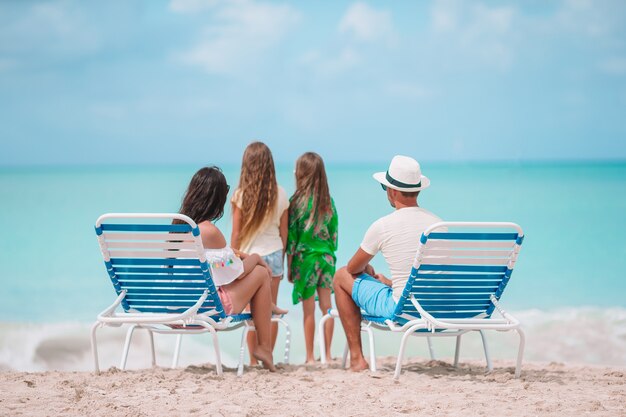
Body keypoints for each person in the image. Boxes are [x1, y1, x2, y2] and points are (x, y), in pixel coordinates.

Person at [333, 155, 442, 371]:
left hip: (402, 310)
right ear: (418, 189)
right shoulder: (438, 225)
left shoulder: (383, 226)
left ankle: (357, 359)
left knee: (340, 276)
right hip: (438, 310)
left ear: (392, 191)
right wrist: (392, 283)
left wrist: (365, 269)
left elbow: (352, 268)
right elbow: (430, 279)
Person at [175, 166, 286, 372]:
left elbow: (219, 262)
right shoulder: (210, 231)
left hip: (175, 310)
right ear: (216, 198)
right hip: (206, 310)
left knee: (250, 272)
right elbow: (238, 272)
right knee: (260, 273)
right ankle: (264, 347)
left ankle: (267, 316)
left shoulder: (178, 229)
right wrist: (256, 258)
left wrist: (240, 254)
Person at [231, 141, 289, 365]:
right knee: (269, 311)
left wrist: (229, 260)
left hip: (247, 257)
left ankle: (253, 362)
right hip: (273, 254)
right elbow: (284, 234)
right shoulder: (281, 194)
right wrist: (282, 263)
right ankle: (267, 356)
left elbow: (236, 234)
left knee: (250, 313)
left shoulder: (240, 195)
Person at [286, 152, 338, 364]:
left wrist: (290, 267)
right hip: (326, 258)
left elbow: (291, 238)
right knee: (327, 306)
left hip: (305, 260)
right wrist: (329, 252)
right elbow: (334, 235)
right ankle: (327, 354)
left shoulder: (296, 202)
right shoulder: (329, 202)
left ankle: (310, 356)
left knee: (309, 309)